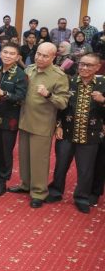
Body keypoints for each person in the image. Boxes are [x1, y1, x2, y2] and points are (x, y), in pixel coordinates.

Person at [9, 42, 70, 208]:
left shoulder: (59, 76)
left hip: (42, 123)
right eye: (38, 54)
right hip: (25, 120)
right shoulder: (29, 69)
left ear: (53, 57)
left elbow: (63, 102)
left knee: (39, 160)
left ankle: (39, 192)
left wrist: (48, 94)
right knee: (24, 157)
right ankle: (26, 184)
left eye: (45, 56)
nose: (40, 58)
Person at [47, 53, 105, 213]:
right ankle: (55, 191)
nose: (84, 68)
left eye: (89, 65)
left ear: (98, 67)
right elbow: (59, 105)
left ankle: (81, 197)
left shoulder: (103, 83)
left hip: (91, 134)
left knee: (86, 169)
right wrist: (58, 125)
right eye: (82, 64)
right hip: (66, 130)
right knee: (61, 164)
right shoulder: (68, 81)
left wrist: (103, 101)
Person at [0, 42, 28, 196]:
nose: (8, 56)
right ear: (0, 53)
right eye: (5, 52)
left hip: (9, 119)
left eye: (12, 53)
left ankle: (2, 181)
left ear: (17, 57)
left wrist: (4, 93)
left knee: (5, 151)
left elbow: (21, 97)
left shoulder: (21, 75)